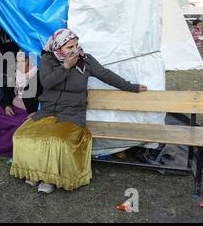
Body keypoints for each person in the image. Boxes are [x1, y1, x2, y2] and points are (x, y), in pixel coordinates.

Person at [10, 28, 148, 194]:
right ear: (58, 47)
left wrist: (132, 87)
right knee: (24, 135)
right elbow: (47, 83)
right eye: (69, 47)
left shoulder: (86, 60)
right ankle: (34, 172)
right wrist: (66, 67)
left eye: (76, 45)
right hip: (47, 112)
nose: (75, 50)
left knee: (57, 140)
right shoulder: (48, 59)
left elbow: (106, 75)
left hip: (72, 114)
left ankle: (51, 178)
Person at [0, 52, 41, 160]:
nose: (18, 64)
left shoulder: (38, 76)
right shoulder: (14, 74)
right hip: (13, 107)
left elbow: (46, 97)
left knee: (20, 126)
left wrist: (37, 111)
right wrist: (7, 106)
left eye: (21, 61)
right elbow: (8, 92)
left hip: (27, 111)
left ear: (29, 61)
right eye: (17, 61)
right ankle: (5, 147)